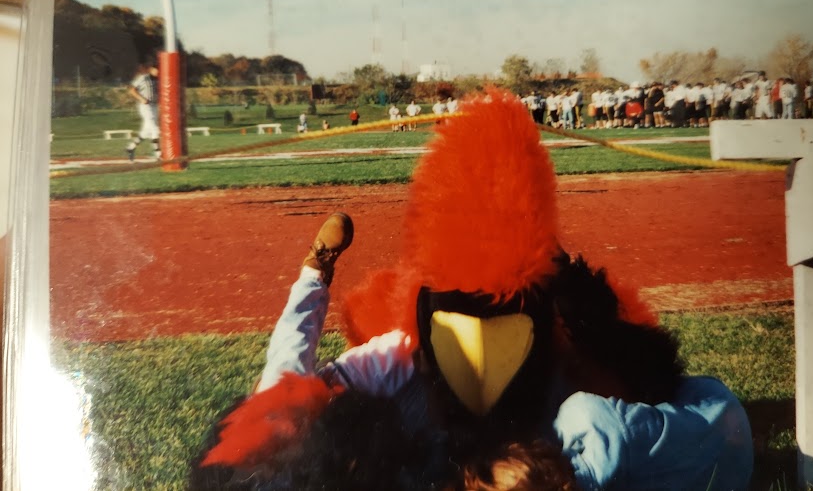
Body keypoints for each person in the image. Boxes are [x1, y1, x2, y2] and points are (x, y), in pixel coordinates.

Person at [196, 93, 753, 491]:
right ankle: (313, 272)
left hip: (539, 436)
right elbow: (296, 389)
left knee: (598, 419)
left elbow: (674, 396)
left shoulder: (564, 355)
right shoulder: (399, 356)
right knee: (282, 405)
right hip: (447, 444)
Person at [126, 61, 160, 162]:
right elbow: (131, 89)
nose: (158, 72)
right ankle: (158, 154)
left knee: (146, 132)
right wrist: (141, 99)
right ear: (151, 69)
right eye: (156, 69)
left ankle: (130, 148)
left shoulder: (157, 80)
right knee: (155, 129)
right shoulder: (143, 77)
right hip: (145, 106)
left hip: (153, 105)